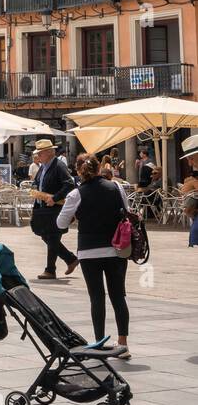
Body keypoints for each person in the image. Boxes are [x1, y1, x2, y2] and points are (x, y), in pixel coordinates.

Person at [56, 154, 131, 358]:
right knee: (118, 296)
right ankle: (123, 343)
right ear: (99, 169)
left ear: (78, 171)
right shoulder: (116, 187)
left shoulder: (75, 194)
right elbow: (127, 210)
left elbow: (60, 224)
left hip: (89, 251)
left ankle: (99, 342)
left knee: (96, 297)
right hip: (116, 250)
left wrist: (75, 216)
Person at [29, 139, 78, 280]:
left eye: (41, 153)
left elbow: (69, 184)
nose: (38, 155)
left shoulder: (59, 165)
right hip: (44, 207)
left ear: (50, 152)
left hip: (55, 207)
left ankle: (53, 268)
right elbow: (37, 182)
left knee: (51, 236)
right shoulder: (43, 167)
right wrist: (35, 189)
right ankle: (66, 261)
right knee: (48, 236)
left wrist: (55, 198)